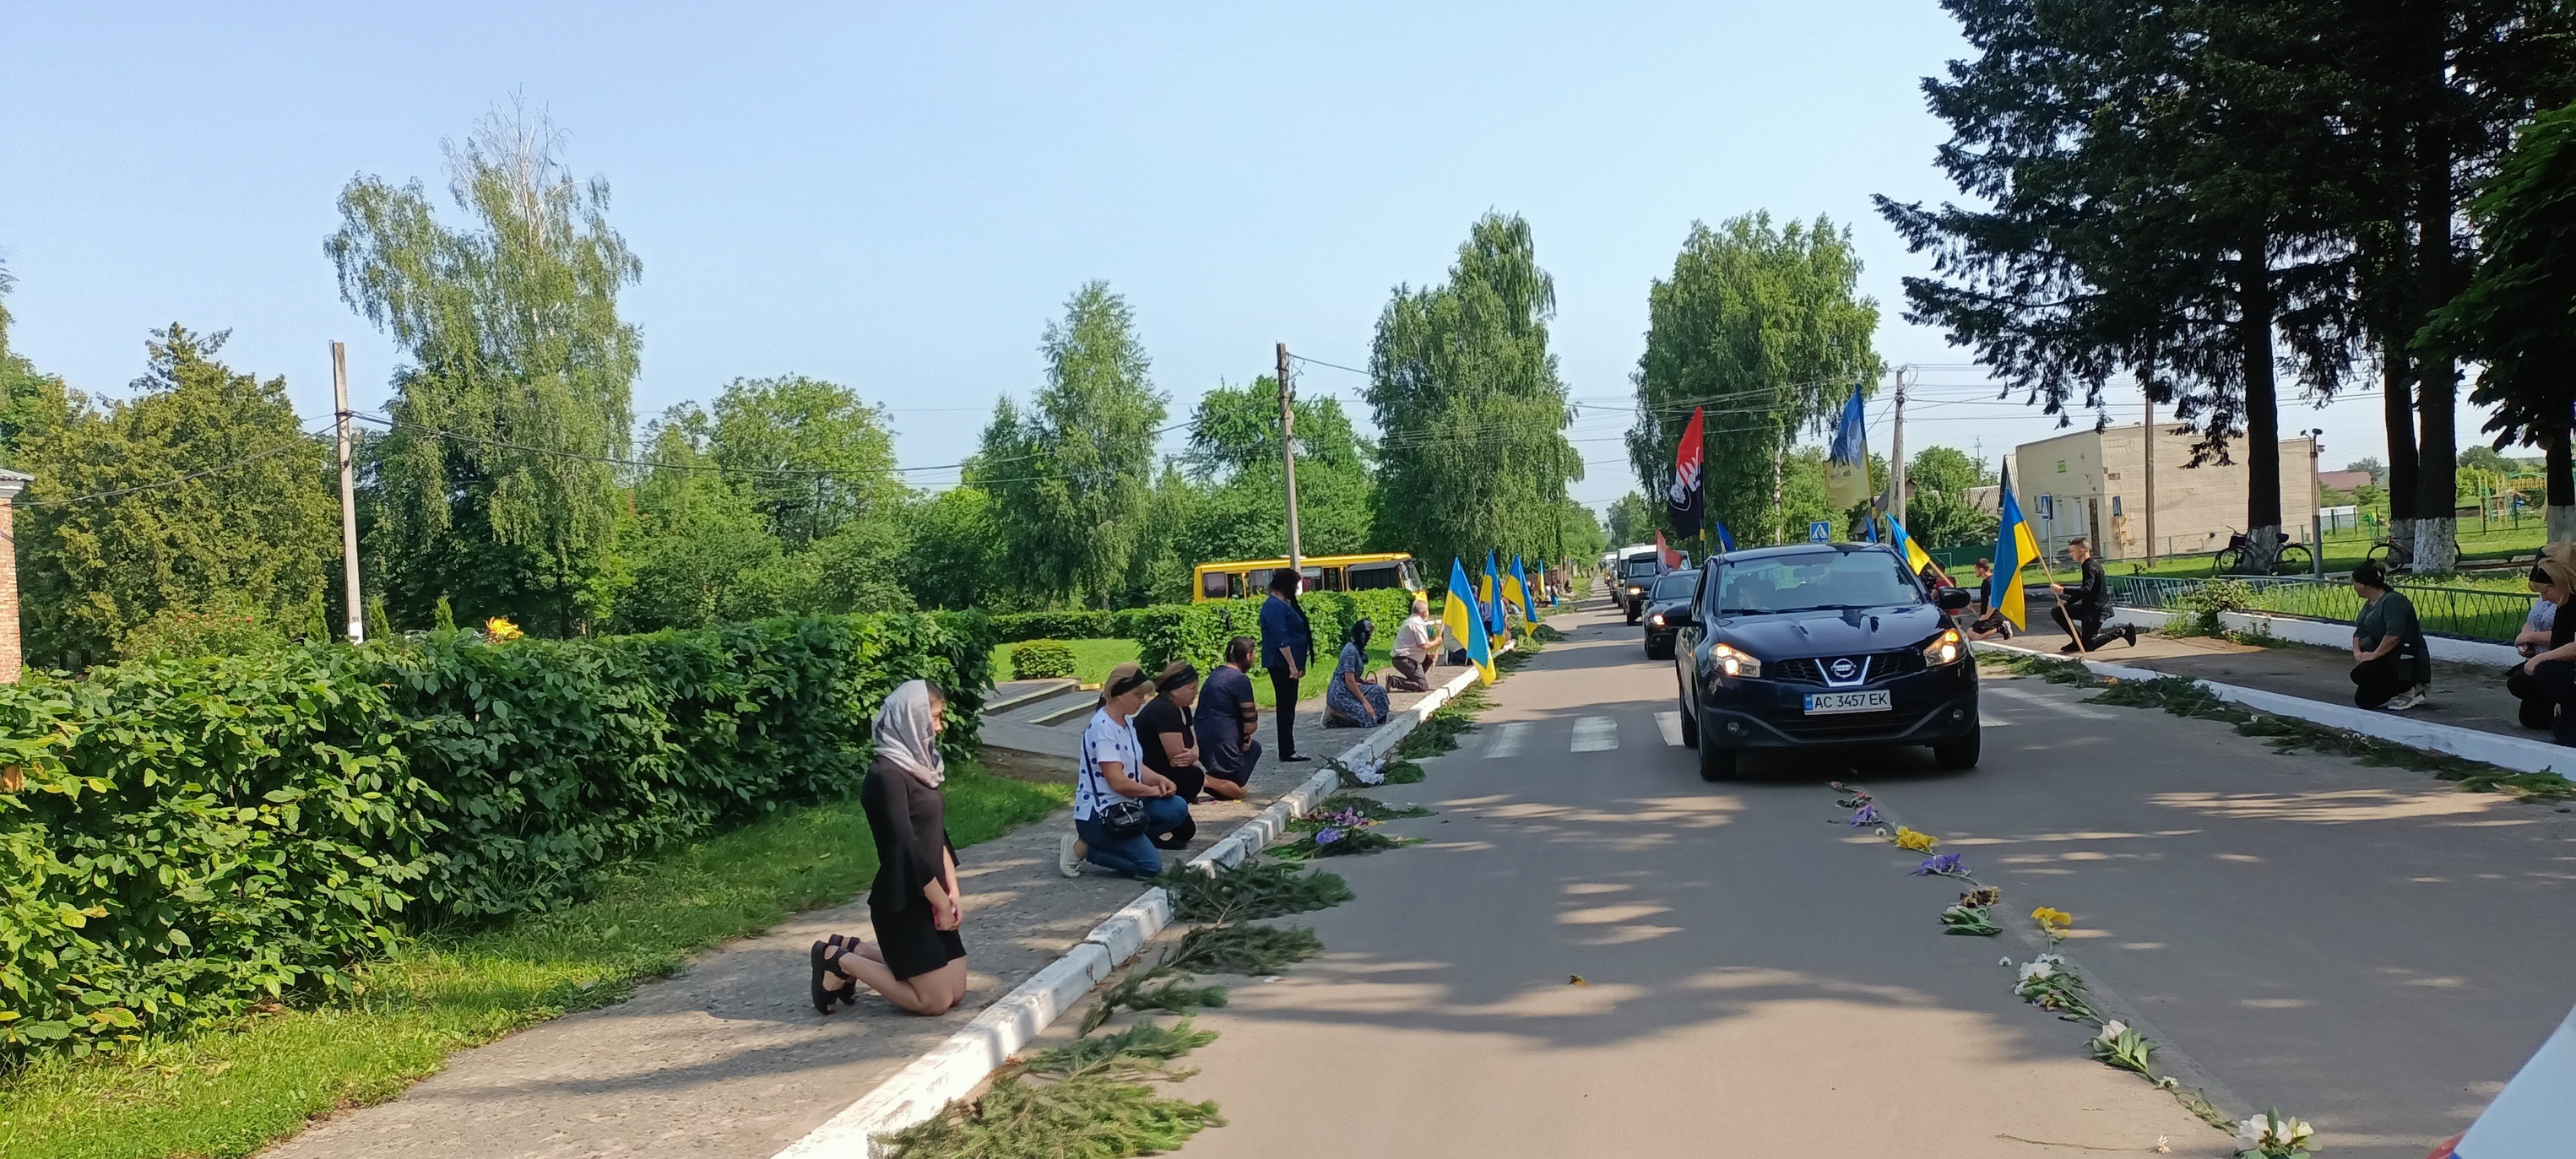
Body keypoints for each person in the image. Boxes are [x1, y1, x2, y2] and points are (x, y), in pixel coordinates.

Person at [813, 680, 966, 1016]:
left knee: (956, 992)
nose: (939, 728)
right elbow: (906, 845)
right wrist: (940, 902)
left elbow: (937, 833)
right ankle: (837, 959)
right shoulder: (885, 776)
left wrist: (952, 891)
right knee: (935, 1002)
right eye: (935, 718)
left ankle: (856, 949)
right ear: (912, 718)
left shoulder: (923, 768)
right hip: (903, 900)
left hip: (933, 893)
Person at [1058, 663, 1191, 878]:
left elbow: (1134, 764)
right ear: (1120, 694)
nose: (1143, 701)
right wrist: (1152, 791)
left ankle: (1128, 842)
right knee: (1150, 868)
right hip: (1101, 812)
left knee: (1176, 807)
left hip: (1127, 805)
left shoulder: (1127, 721)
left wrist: (1159, 780)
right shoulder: (1103, 728)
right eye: (1138, 696)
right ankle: (1084, 848)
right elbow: (1117, 782)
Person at [1132, 663, 1207, 850]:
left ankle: (1169, 816)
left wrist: (1195, 753)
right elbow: (1177, 758)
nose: (1196, 692)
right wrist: (1193, 756)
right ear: (1175, 690)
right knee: (1193, 775)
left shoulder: (1183, 708)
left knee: (1186, 832)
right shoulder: (1164, 710)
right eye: (1191, 688)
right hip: (1151, 772)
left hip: (1165, 769)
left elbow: (1193, 742)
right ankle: (1154, 825)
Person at [2508, 545, 2576, 737]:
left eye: (2546, 592)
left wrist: (2540, 658)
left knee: (2541, 672)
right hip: (2559, 666)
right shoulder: (2563, 605)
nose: (2544, 598)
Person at [2348, 562, 2430, 711]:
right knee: (2363, 700)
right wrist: (2358, 653)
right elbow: (2359, 631)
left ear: (2363, 585)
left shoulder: (2392, 601)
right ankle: (2397, 688)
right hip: (2381, 656)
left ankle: (2410, 689)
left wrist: (2373, 655)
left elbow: (2394, 635)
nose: (2353, 586)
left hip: (2401, 656)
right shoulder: (2370, 604)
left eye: (2354, 582)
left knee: (2361, 674)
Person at [1192, 636, 1260, 800]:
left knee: (1235, 787)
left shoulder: (1215, 674)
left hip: (1202, 738)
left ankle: (1217, 784)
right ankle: (1204, 780)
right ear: (1248, 656)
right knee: (1240, 791)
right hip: (1223, 740)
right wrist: (1246, 735)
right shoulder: (1239, 679)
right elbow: (1251, 723)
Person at [1257, 569, 1314, 761]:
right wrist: (1292, 665)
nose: (1296, 588)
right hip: (1281, 663)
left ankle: (1289, 748)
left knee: (1289, 705)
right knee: (1285, 706)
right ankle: (1287, 750)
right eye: (1295, 585)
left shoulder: (1283, 604)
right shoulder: (1274, 606)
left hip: (1288, 663)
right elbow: (1280, 638)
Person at [2048, 537, 2136, 653]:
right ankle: (2077, 640)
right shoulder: (2088, 565)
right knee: (2057, 612)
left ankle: (2123, 630)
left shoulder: (2090, 567)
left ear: (2082, 550)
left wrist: (2063, 590)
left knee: (2088, 647)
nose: (2070, 554)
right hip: (2088, 608)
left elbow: (2086, 590)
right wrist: (2068, 602)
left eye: (2073, 551)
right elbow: (2086, 591)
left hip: (2097, 610)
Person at [1323, 618, 1394, 728]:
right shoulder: (1350, 651)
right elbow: (1349, 680)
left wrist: (1363, 682)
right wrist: (1365, 702)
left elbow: (1352, 674)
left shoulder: (1358, 649)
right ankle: (1334, 712)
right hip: (1340, 692)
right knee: (1368, 719)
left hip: (1349, 689)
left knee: (1379, 691)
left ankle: (1369, 714)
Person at [1387, 597, 1444, 693]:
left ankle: (1415, 680)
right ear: (1424, 613)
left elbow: (1414, 644)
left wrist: (1427, 655)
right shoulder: (1417, 623)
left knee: (1428, 659)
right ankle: (1395, 681)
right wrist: (1436, 642)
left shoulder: (1410, 621)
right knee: (1422, 686)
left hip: (1403, 658)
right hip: (1406, 660)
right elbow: (1424, 646)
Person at [1966, 558, 2014, 642]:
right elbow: (1988, 600)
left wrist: (1986, 616)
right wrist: (1975, 605)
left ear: (1981, 570)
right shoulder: (1987, 581)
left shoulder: (1990, 582)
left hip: (1994, 616)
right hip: (1989, 615)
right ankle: (2000, 627)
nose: (1975, 572)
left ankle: (2001, 627)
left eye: (1976, 569)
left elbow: (1993, 602)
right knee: (1970, 633)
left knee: (1973, 636)